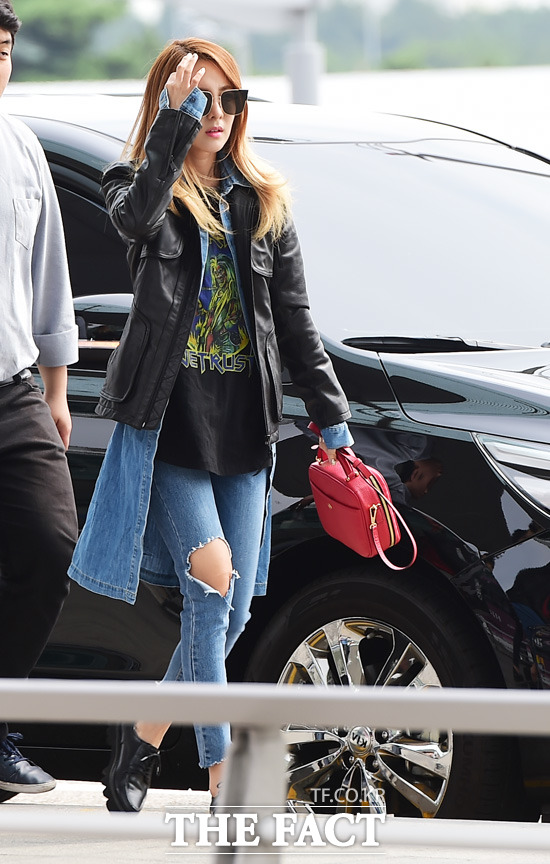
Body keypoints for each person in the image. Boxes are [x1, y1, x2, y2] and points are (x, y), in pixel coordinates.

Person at [68, 37, 352, 813]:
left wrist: (332, 418)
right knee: (214, 579)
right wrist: (174, 123)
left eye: (231, 99)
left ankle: (144, 731)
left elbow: (296, 324)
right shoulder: (139, 185)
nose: (218, 115)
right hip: (169, 422)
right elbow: (135, 220)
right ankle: (222, 777)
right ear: (170, 105)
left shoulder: (263, 203)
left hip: (244, 425)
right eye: (202, 100)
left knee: (231, 612)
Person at [0, 0, 79, 801]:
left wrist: (56, 390)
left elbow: (47, 270)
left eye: (2, 51)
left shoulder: (20, 146)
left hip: (13, 391)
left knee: (51, 547)